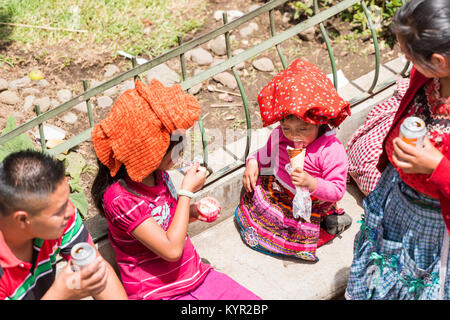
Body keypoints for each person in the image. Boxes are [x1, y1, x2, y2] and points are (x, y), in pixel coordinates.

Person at [91, 78, 261, 300]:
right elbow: (171, 250)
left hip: (196, 276)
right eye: (174, 147)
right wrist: (186, 193)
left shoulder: (157, 176)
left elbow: (168, 221)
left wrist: (192, 211)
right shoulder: (121, 199)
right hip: (159, 293)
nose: (180, 152)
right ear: (148, 154)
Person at [345, 0, 450, 300]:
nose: (403, 57)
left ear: (439, 61)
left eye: (408, 53)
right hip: (398, 197)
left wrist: (436, 166)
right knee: (384, 262)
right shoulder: (430, 76)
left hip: (434, 223)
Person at [234, 59, 353, 262]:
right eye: (287, 128)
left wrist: (312, 183)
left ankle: (331, 221)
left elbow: (336, 190)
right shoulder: (280, 136)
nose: (294, 136)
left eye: (303, 129)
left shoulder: (330, 150)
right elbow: (264, 155)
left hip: (314, 201)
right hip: (283, 191)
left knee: (301, 231)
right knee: (257, 200)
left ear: (320, 123)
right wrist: (253, 162)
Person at [0, 150, 128, 300]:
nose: (70, 211)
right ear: (22, 219)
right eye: (58, 210)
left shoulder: (60, 221)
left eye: (67, 199)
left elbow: (98, 272)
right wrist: (61, 295)